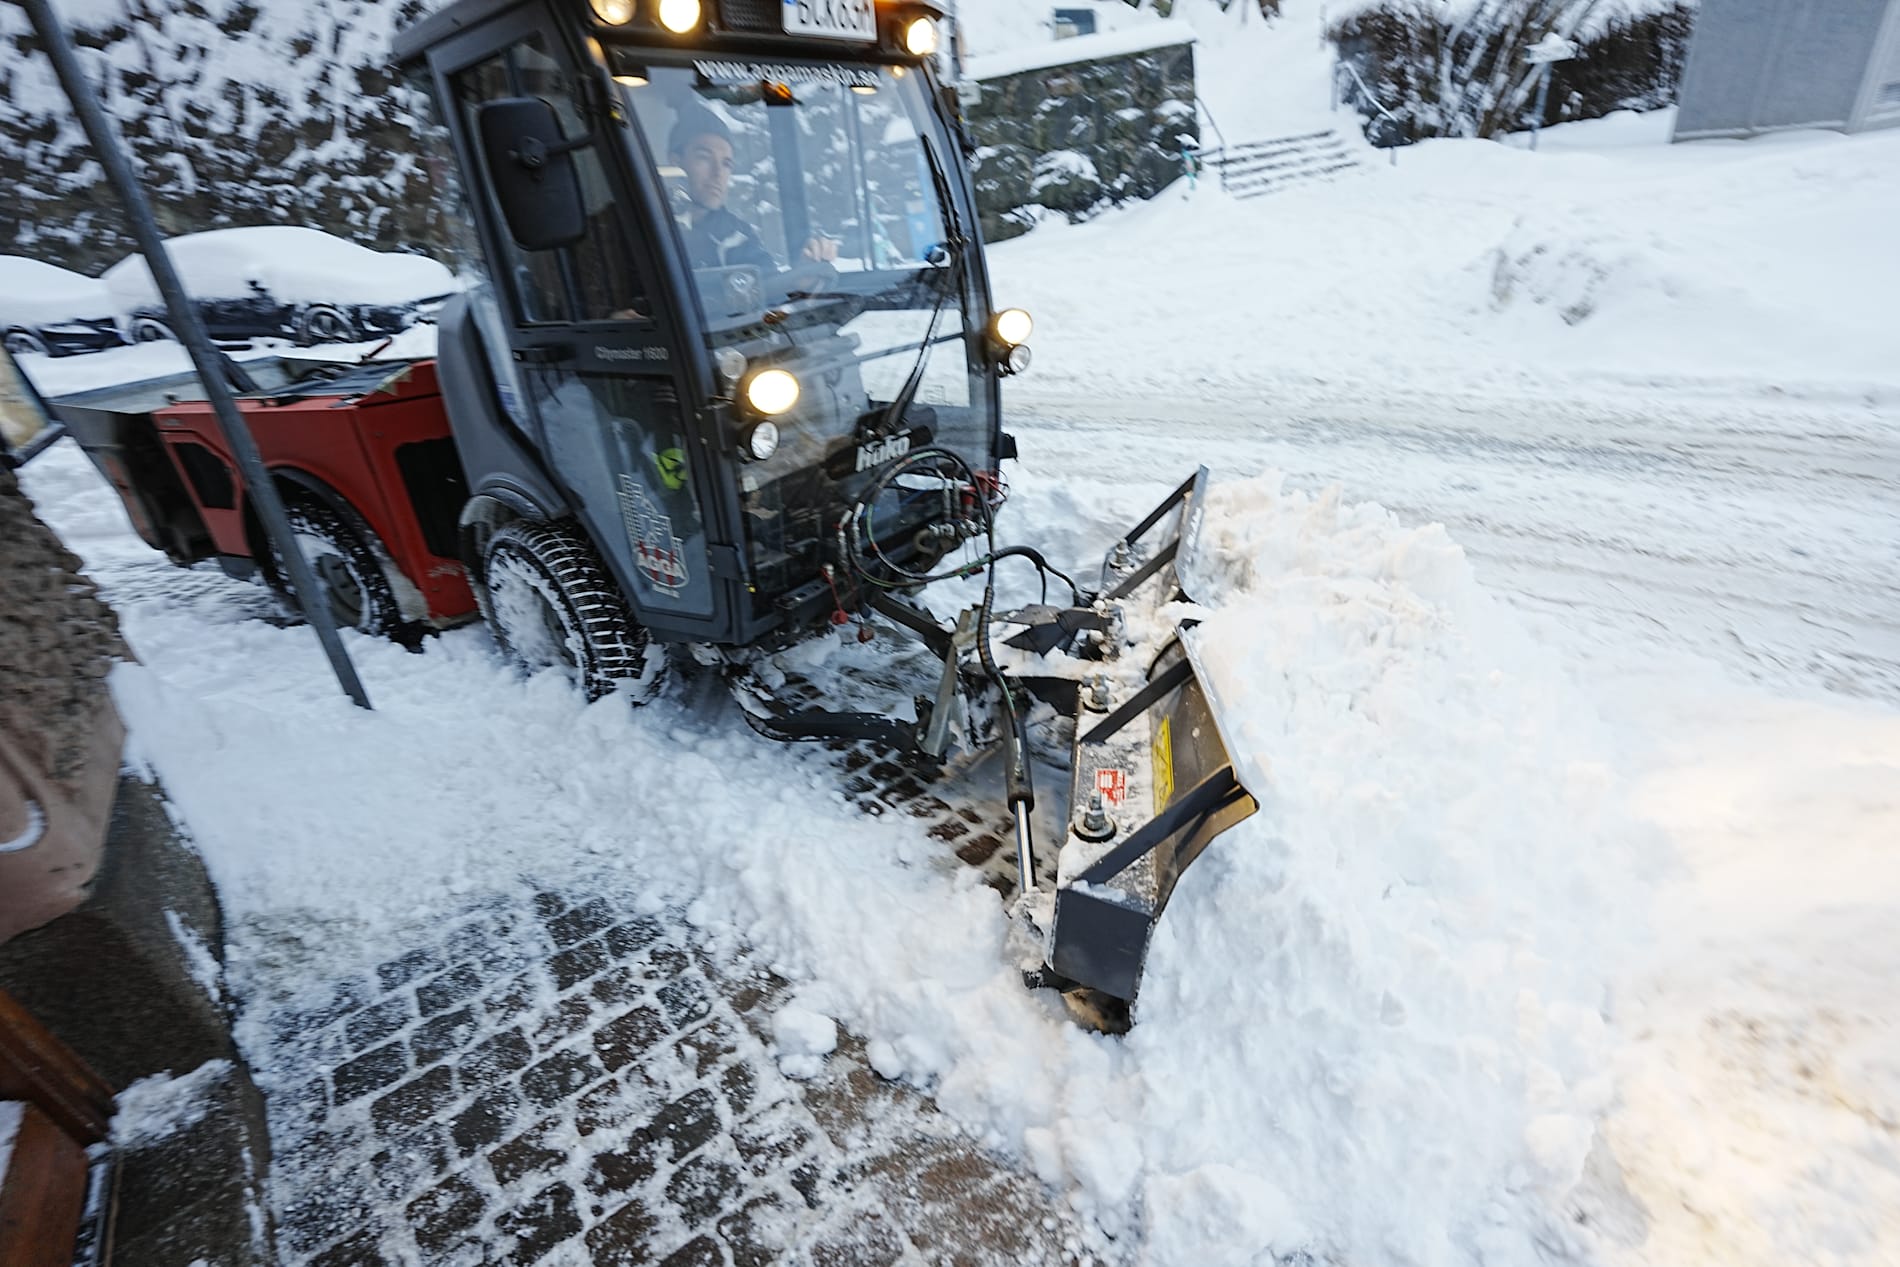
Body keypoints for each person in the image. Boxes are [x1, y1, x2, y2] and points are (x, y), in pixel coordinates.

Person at [667, 107, 838, 276]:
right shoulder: (651, 226)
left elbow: (772, 290)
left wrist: (803, 274)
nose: (718, 173)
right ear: (676, 163)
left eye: (726, 164)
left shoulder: (737, 235)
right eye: (704, 157)